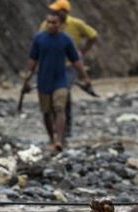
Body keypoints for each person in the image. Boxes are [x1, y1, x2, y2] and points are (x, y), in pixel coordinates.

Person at [22, 11, 91, 151]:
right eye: (48, 22)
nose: (51, 25)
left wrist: (85, 77)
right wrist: (27, 79)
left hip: (60, 79)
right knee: (46, 111)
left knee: (60, 108)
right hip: (43, 80)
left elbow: (75, 60)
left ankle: (59, 140)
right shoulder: (39, 39)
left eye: (54, 22)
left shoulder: (66, 40)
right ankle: (51, 139)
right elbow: (32, 59)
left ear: (60, 24)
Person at [43, 0, 99, 139]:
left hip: (69, 66)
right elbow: (40, 41)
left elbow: (93, 36)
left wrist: (82, 52)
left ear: (64, 12)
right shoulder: (47, 25)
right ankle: (58, 129)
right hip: (51, 66)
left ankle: (65, 130)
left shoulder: (75, 24)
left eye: (57, 10)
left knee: (63, 93)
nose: (53, 13)